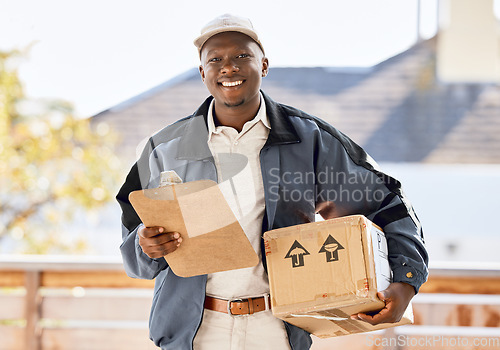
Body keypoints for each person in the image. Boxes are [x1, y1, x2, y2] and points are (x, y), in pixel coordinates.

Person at [116, 14, 428, 350]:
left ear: (263, 65)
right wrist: (147, 247)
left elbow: (386, 202)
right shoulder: (164, 148)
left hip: (276, 331)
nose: (228, 67)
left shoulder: (309, 140)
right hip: (193, 333)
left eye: (241, 56)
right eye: (215, 59)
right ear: (202, 72)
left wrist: (405, 280)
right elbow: (135, 253)